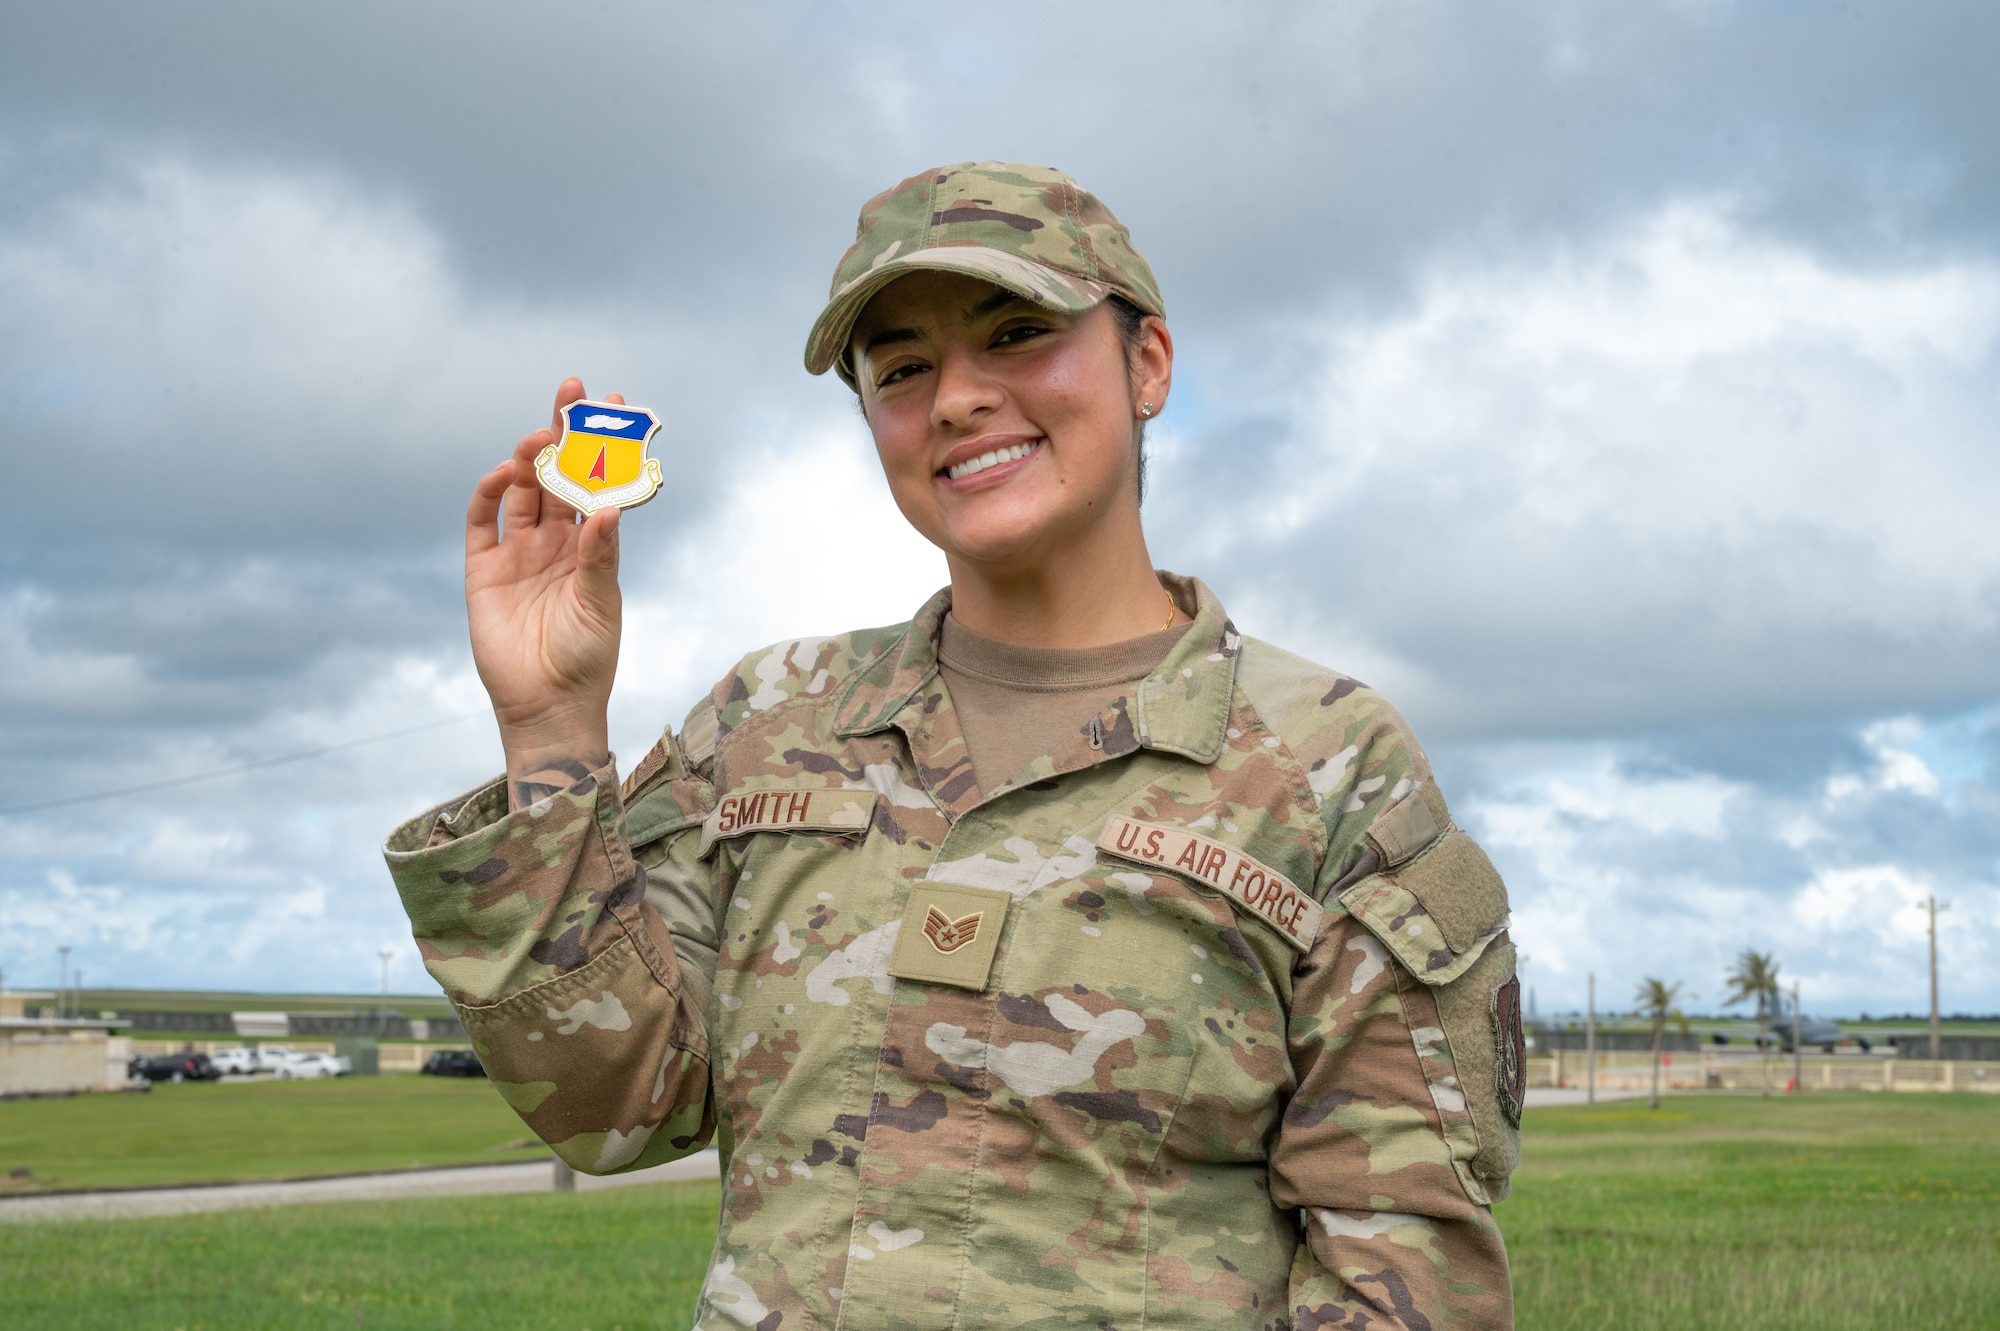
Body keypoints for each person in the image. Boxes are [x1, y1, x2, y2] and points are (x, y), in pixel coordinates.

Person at [384, 162, 1521, 1330]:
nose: (956, 399)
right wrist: (550, 725)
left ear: (1147, 364)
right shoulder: (768, 721)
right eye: (902, 367)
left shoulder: (1324, 759)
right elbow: (610, 1106)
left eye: (1018, 333)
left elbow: (1407, 1272)